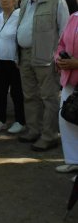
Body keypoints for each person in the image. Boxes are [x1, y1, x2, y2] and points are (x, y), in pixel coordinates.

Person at [16, 0, 69, 151]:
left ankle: (49, 136)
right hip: (25, 55)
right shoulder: (24, 0)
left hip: (47, 57)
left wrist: (60, 58)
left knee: (49, 98)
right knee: (30, 96)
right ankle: (33, 130)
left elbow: (64, 32)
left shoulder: (57, 1)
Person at [0, 0, 26, 134]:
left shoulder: (19, 16)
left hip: (14, 61)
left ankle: (20, 121)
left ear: (14, 0)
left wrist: (19, 58)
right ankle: (1, 120)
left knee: (17, 92)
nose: (4, 0)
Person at [54, 11, 78, 172]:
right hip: (70, 80)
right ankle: (73, 160)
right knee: (66, 119)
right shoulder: (74, 17)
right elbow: (61, 43)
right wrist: (59, 59)